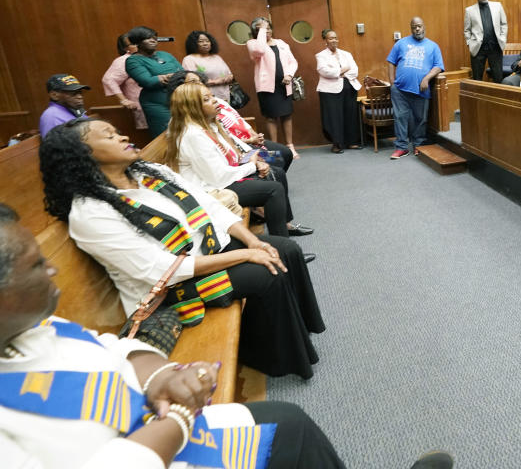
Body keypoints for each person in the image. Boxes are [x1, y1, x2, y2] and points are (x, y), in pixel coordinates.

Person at [0, 203, 455, 469]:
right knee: (266, 273)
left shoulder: (31, 326)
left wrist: (163, 376)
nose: (52, 269)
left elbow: (114, 348)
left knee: (287, 421)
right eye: (37, 266)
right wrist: (179, 416)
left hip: (151, 417)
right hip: (155, 446)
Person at [38, 119, 323, 378]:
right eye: (110, 136)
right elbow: (160, 271)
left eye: (116, 130)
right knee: (265, 273)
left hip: (208, 252)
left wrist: (251, 240)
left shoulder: (151, 173)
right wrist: (246, 254)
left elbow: (209, 207)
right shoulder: (90, 212)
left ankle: (300, 329)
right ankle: (275, 358)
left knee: (285, 249)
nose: (123, 136)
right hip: (171, 290)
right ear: (83, 155)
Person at [165, 81, 312, 237]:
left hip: (244, 153)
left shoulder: (218, 112)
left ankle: (280, 220)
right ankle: (272, 220)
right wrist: (254, 160)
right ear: (191, 106)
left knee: (284, 154)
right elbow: (220, 173)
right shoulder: (194, 133)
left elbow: (238, 136)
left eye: (211, 95)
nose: (214, 100)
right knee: (277, 163)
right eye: (206, 98)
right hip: (227, 172)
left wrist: (253, 141)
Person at [166, 70, 294, 172]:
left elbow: (239, 120)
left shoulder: (218, 101)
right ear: (181, 88)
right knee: (277, 158)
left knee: (285, 153)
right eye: (194, 82)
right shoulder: (195, 116)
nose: (200, 84)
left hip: (246, 144)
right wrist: (250, 141)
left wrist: (253, 135)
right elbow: (224, 143)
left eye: (200, 81)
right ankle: (268, 182)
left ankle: (272, 179)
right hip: (239, 151)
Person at [386, 17, 444, 159]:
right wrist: (392, 82)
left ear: (424, 26)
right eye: (414, 27)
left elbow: (438, 66)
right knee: (400, 117)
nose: (417, 29)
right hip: (400, 90)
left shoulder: (433, 46)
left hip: (421, 90)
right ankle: (401, 147)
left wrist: (426, 78)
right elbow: (390, 61)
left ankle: (418, 145)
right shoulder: (401, 43)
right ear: (411, 28)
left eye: (419, 26)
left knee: (420, 119)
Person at [247, 17, 300, 159]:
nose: (267, 30)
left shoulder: (281, 43)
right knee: (271, 117)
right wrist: (262, 32)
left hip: (284, 85)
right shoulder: (252, 43)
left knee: (287, 115)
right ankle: (273, 149)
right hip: (266, 86)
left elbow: (293, 62)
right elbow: (259, 50)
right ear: (256, 31)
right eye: (261, 28)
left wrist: (289, 75)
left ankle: (290, 146)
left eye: (268, 27)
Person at [125, 26, 184, 138]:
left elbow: (183, 72)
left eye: (154, 38)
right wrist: (174, 77)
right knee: (168, 138)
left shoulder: (165, 54)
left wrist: (168, 77)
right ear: (138, 42)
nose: (153, 40)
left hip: (179, 100)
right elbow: (148, 81)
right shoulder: (133, 60)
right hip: (157, 104)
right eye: (148, 38)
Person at [315, 29, 361, 153]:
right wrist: (341, 71)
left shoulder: (346, 54)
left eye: (335, 38)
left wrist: (339, 73)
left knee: (350, 115)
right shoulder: (321, 55)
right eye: (330, 38)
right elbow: (324, 71)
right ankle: (337, 144)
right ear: (325, 40)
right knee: (334, 118)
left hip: (349, 88)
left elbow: (354, 70)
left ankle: (351, 142)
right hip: (330, 91)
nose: (334, 40)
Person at [102, 33, 148, 131]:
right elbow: (108, 79)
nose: (138, 45)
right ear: (125, 48)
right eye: (133, 44)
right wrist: (123, 100)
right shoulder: (124, 60)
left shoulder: (148, 57)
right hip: (142, 107)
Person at [463, 0, 508, 82]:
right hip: (478, 48)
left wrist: (503, 38)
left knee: (498, 77)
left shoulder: (498, 6)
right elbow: (467, 30)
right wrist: (469, 43)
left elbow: (503, 24)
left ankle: (496, 96)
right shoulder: (469, 11)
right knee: (477, 78)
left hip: (495, 47)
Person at [181, 30, 234, 102]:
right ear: (193, 43)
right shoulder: (189, 59)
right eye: (201, 41)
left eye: (207, 41)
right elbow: (192, 82)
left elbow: (229, 73)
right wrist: (215, 82)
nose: (205, 43)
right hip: (206, 99)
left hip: (225, 96)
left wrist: (229, 77)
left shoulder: (216, 57)